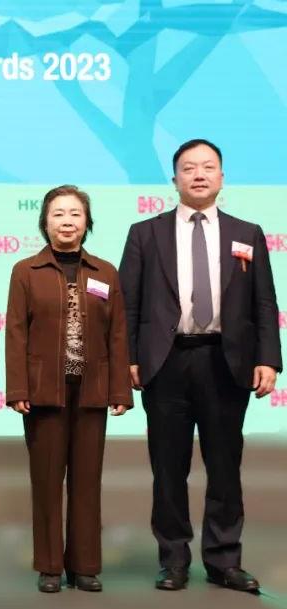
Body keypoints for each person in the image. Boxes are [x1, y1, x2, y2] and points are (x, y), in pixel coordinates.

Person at [119, 139, 281, 594]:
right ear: (174, 179)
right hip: (165, 362)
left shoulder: (247, 233)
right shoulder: (145, 233)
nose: (199, 175)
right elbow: (127, 304)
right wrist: (128, 358)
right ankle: (173, 559)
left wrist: (268, 358)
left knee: (225, 465)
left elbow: (264, 302)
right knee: (168, 468)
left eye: (208, 167)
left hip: (226, 362)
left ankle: (224, 560)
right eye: (189, 168)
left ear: (222, 177)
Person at [4, 185, 132, 593]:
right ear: (45, 222)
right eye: (58, 214)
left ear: (87, 222)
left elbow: (117, 334)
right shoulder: (26, 271)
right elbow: (15, 333)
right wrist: (17, 388)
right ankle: (50, 566)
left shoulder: (105, 272)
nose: (67, 221)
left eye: (75, 214)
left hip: (92, 389)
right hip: (44, 391)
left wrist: (120, 391)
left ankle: (85, 565)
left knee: (87, 480)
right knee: (46, 481)